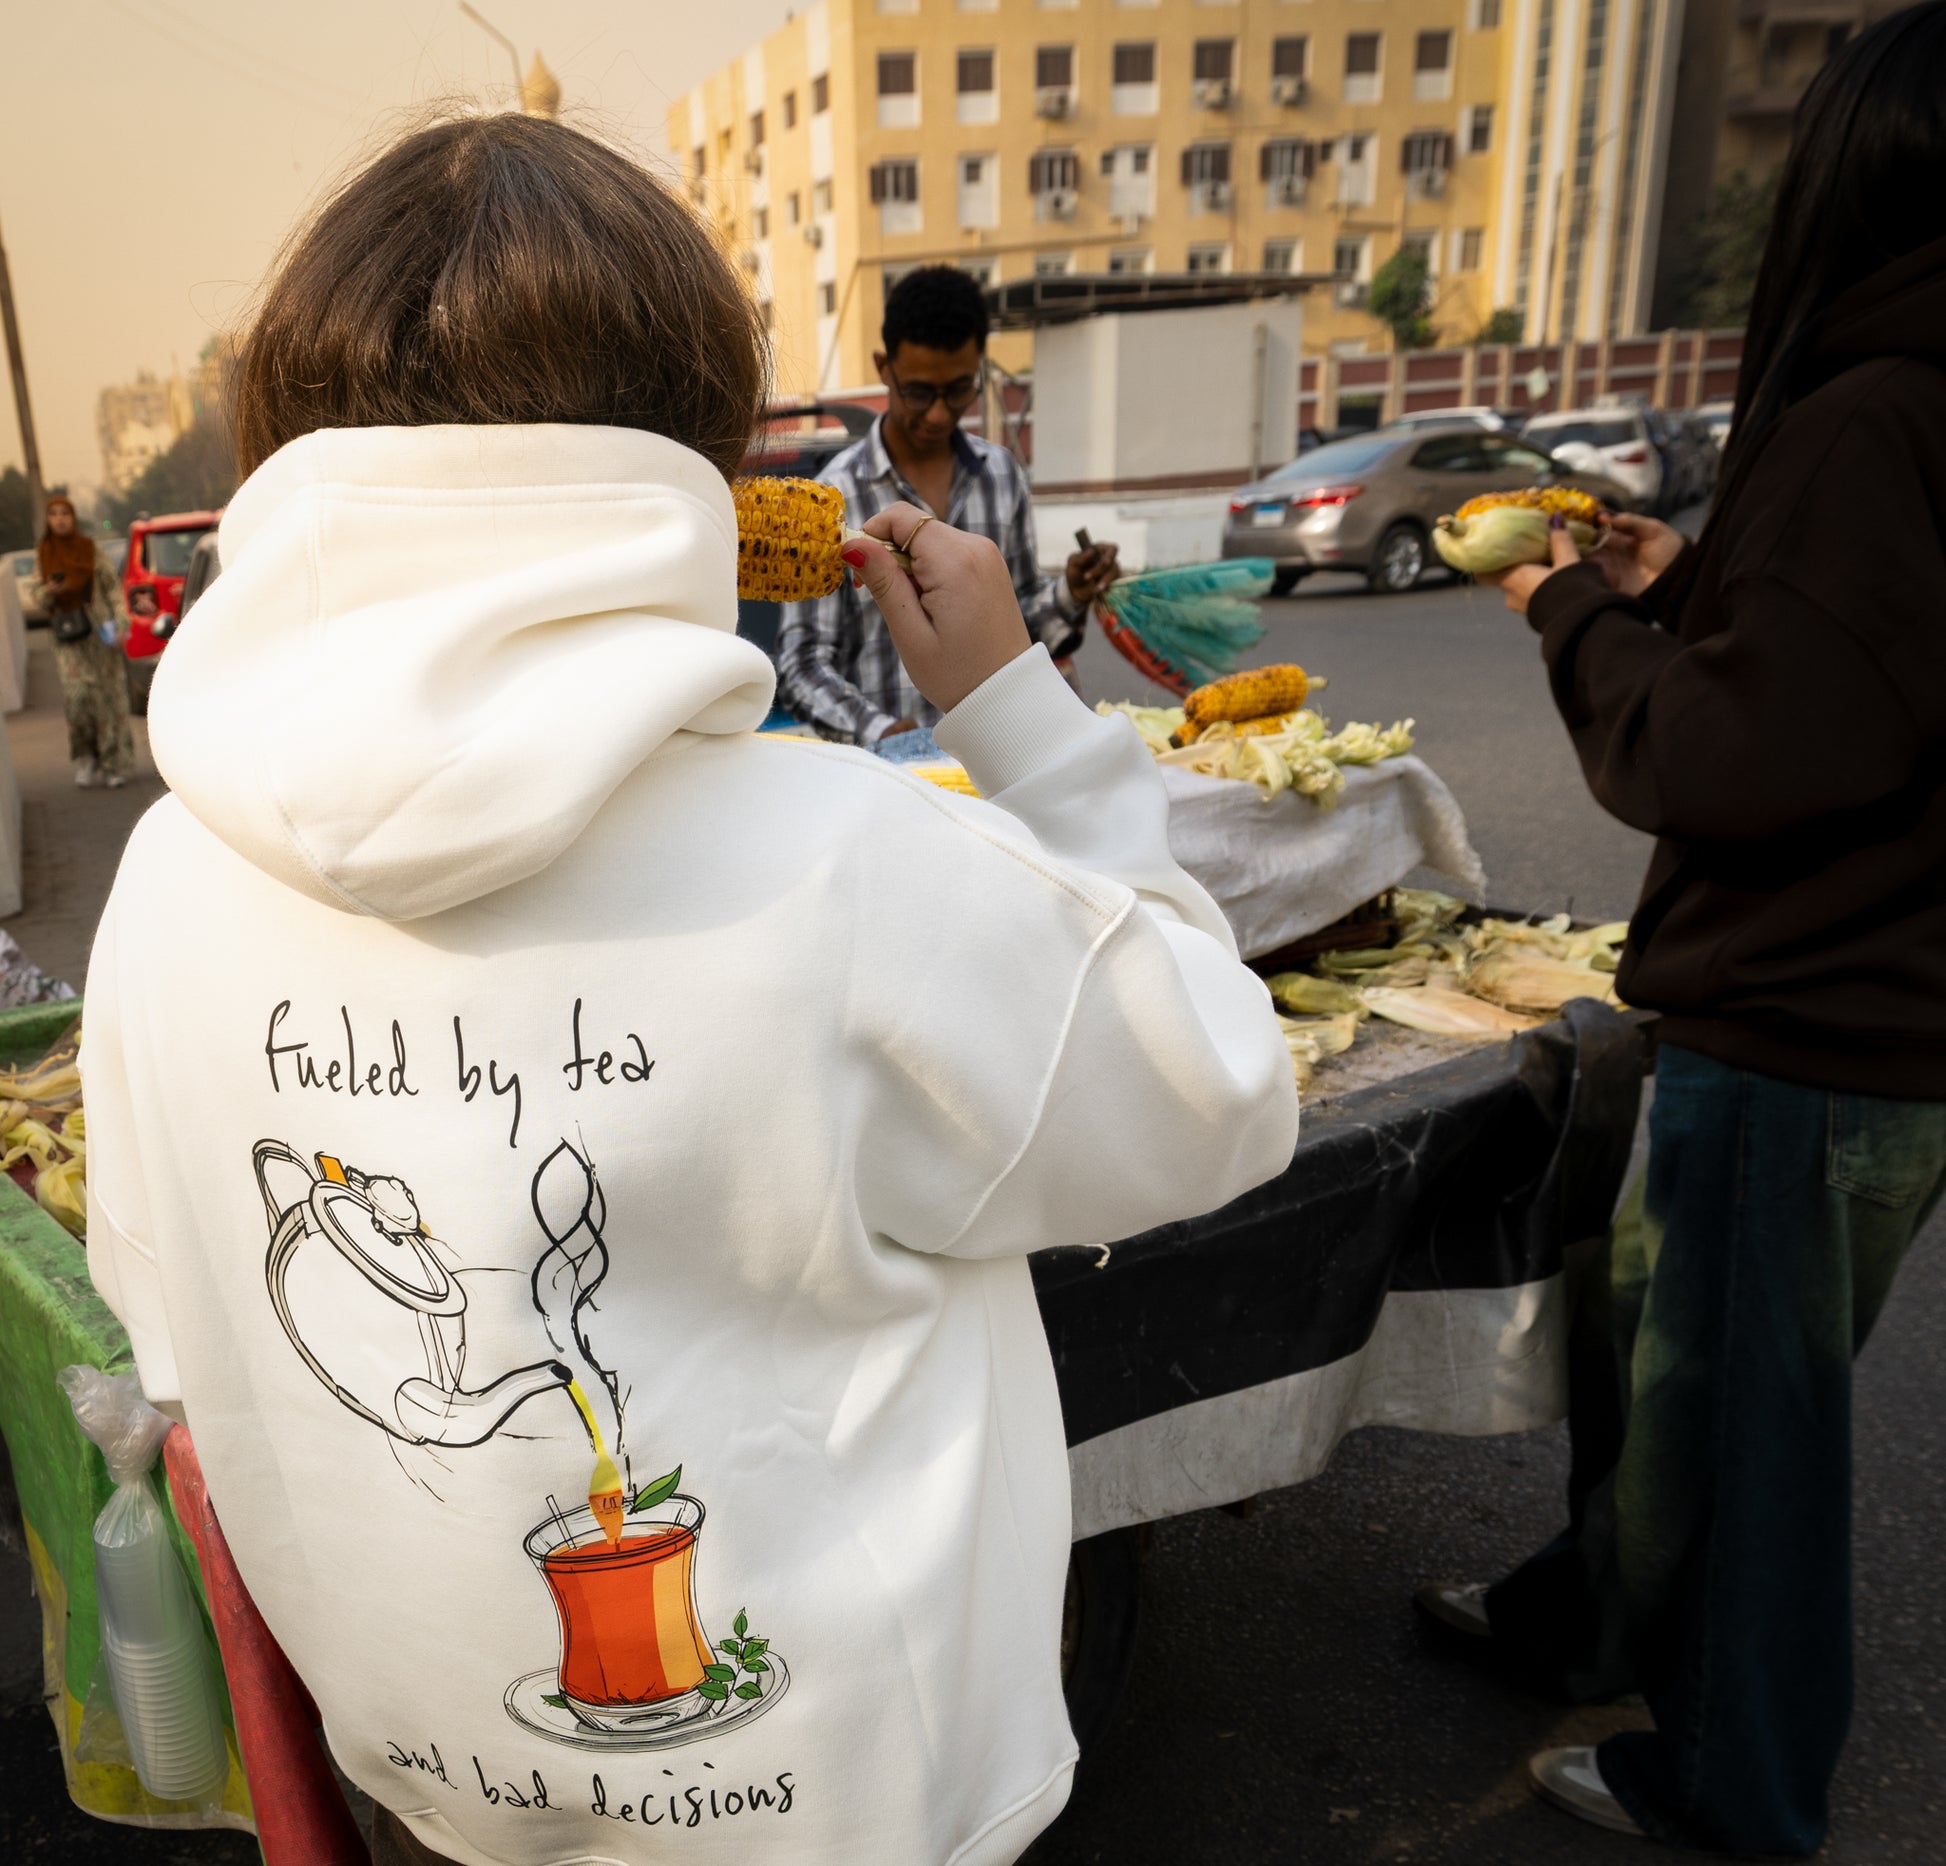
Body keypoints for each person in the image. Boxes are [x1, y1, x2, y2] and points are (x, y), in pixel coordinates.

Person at [80, 115, 1298, 1866]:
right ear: (691, 455)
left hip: (436, 1797)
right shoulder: (852, 863)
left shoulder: (168, 883)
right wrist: (1026, 718)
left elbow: (180, 1336)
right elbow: (1218, 1087)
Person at [1419, 5, 1946, 1852]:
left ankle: (1734, 1789)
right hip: (1861, 1027)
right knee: (1653, 1364)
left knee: (1748, 1450)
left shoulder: (1882, 411)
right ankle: (1579, 1619)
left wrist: (1568, 609)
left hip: (1804, 1033)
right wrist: (1690, 576)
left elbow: (1721, 751)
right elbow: (1857, 675)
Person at [776, 265, 1120, 755]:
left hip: (1000, 759)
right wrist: (882, 732)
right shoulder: (836, 494)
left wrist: (1069, 592)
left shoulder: (1001, 475)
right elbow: (803, 662)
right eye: (919, 392)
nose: (939, 413)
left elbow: (1017, 634)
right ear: (883, 368)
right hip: (892, 782)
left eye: (958, 390)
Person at [35, 494, 133, 789]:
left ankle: (113, 763)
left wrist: (121, 624)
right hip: (67, 638)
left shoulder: (90, 549)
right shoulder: (45, 552)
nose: (61, 518)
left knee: (108, 699)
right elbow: (38, 598)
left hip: (99, 632)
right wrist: (50, 591)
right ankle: (87, 757)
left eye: (66, 513)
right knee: (77, 698)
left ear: (74, 517)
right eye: (54, 514)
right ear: (48, 520)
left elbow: (111, 587)